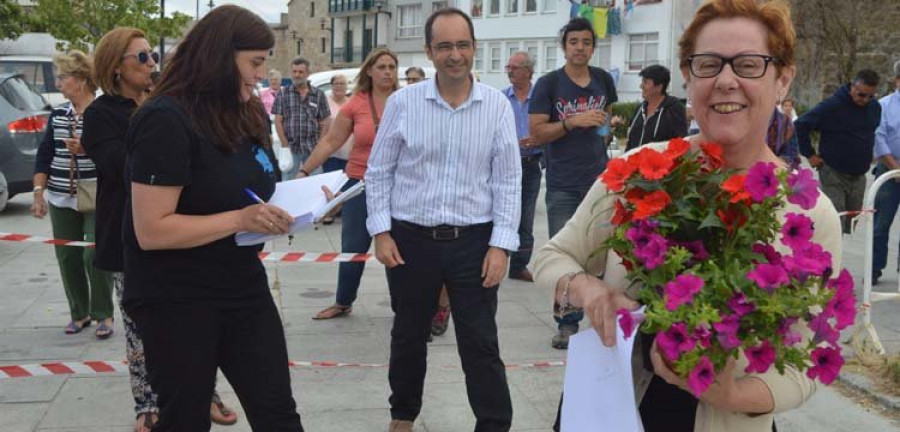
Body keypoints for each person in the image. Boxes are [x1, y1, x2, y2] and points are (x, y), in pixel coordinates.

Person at [534, 1, 842, 431]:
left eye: (749, 65)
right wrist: (588, 290)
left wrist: (733, 394)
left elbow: (805, 359)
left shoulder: (809, 210)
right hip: (608, 407)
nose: (726, 81)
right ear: (687, 75)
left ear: (782, 78)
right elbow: (550, 258)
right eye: (708, 64)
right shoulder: (641, 170)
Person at [122, 5, 302, 430]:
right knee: (185, 420)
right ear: (221, 56)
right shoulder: (164, 120)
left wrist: (303, 204)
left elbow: (261, 186)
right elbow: (151, 230)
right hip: (176, 299)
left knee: (278, 412)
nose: (261, 74)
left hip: (242, 286)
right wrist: (241, 219)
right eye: (254, 63)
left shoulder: (247, 111)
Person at [366, 8, 521, 432]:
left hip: (474, 242)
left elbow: (509, 179)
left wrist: (500, 244)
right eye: (446, 46)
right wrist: (380, 231)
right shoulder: (403, 104)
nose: (456, 55)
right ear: (430, 51)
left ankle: (493, 423)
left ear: (474, 48)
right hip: (410, 238)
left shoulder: (495, 107)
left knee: (480, 341)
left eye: (463, 45)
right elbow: (379, 171)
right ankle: (403, 416)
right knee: (407, 335)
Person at [81, 27, 238, 431]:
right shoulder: (100, 115)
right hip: (127, 235)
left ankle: (205, 394)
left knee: (195, 321)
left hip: (179, 231)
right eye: (142, 58)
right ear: (115, 68)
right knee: (140, 328)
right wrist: (155, 129)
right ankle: (147, 405)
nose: (153, 63)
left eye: (153, 56)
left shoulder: (168, 104)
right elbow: (122, 167)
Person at [529, 17, 618, 349]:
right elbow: (538, 132)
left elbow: (606, 120)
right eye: (574, 42)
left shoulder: (603, 80)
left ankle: (600, 315)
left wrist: (604, 128)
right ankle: (566, 323)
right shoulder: (549, 84)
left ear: (593, 47)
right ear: (564, 46)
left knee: (601, 255)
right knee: (565, 255)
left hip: (599, 181)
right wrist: (572, 122)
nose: (580, 48)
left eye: (586, 42)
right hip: (563, 183)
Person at [296, 49, 399, 320]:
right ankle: (343, 301)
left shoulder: (406, 101)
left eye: (392, 66)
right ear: (369, 71)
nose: (388, 71)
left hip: (399, 188)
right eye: (382, 67)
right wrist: (304, 170)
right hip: (360, 184)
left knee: (399, 247)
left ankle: (405, 308)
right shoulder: (356, 104)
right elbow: (330, 141)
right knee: (353, 245)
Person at [31, 50, 114, 339]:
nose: (58, 82)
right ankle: (80, 313)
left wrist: (86, 149)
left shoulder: (102, 112)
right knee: (67, 256)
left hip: (96, 194)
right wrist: (38, 192)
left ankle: (104, 313)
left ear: (80, 80)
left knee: (92, 254)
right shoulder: (58, 114)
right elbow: (44, 155)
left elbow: (116, 156)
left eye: (63, 77)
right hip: (60, 195)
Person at [796, 69, 882, 233]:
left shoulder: (875, 108)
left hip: (858, 176)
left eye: (870, 96)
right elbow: (801, 125)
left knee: (850, 224)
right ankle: (829, 257)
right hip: (833, 172)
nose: (865, 99)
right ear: (852, 86)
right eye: (861, 94)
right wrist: (810, 154)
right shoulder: (832, 106)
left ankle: (836, 255)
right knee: (834, 223)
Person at [504, 51, 541, 282]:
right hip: (507, 163)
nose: (510, 71)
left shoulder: (540, 98)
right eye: (508, 67)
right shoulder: (501, 98)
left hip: (531, 164)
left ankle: (519, 266)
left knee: (525, 218)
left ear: (528, 71)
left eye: (514, 67)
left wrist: (538, 139)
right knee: (502, 213)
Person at [273, 56, 331, 179]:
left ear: (308, 73)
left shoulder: (318, 94)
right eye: (294, 72)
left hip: (312, 148)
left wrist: (320, 143)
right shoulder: (283, 94)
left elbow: (325, 120)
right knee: (288, 183)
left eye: (300, 72)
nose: (297, 75)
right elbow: (278, 121)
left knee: (315, 183)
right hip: (291, 147)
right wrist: (284, 144)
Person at [870, 60, 900, 285]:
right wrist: (895, 167)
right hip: (888, 170)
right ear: (897, 81)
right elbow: (879, 138)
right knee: (881, 224)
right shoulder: (884, 105)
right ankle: (874, 268)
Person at [611, 65, 687, 151]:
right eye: (642, 82)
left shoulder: (673, 109)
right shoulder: (640, 109)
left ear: (659, 87)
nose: (641, 86)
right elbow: (631, 141)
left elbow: (680, 144)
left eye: (646, 82)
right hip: (635, 163)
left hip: (659, 163)